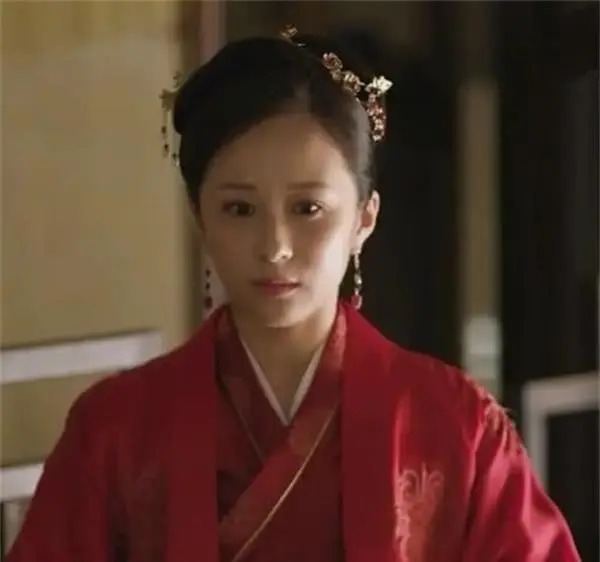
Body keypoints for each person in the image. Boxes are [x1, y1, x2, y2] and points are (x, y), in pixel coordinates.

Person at [7, 26, 580, 562]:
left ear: (364, 218)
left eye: (308, 208)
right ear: (199, 217)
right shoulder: (115, 431)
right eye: (239, 209)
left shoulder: (455, 427)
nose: (274, 246)